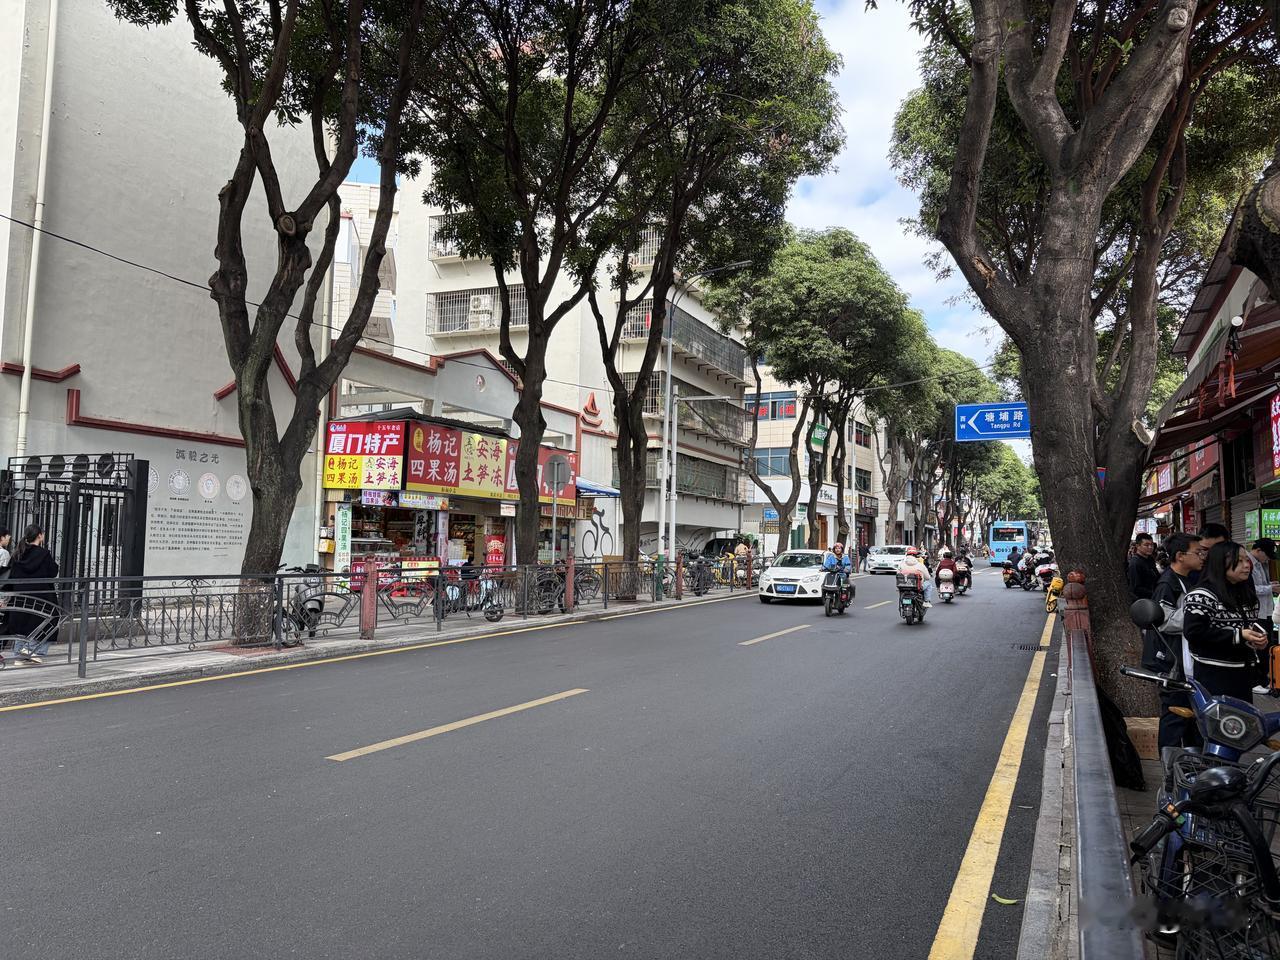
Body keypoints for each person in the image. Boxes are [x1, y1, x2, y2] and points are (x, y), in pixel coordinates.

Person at [1182, 540, 1269, 702]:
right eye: (1239, 560)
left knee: (1243, 716)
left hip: (1243, 674)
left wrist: (1256, 641)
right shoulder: (1201, 595)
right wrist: (1239, 635)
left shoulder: (1246, 594)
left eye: (1247, 560)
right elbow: (1194, 632)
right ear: (1220, 563)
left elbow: (1245, 630)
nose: (1246, 565)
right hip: (1214, 675)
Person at [1141, 533, 1205, 751]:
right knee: (1174, 715)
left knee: (1191, 717)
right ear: (1180, 556)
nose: (1201, 557)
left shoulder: (1188, 579)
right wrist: (1200, 614)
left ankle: (1191, 762)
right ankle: (1169, 764)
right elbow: (1164, 621)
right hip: (1173, 663)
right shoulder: (1168, 583)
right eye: (1197, 552)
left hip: (1186, 661)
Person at [7, 524, 60, 664]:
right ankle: (33, 650)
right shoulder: (43, 554)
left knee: (21, 625)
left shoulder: (17, 553)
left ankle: (19, 655)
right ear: (39, 536)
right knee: (51, 619)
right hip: (42, 596)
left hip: (20, 596)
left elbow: (9, 575)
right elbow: (53, 572)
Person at [1127, 532, 1159, 601]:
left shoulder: (1150, 559)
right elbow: (1136, 588)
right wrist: (1155, 594)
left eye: (1152, 545)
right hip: (1144, 602)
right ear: (1138, 546)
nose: (1150, 547)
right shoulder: (1135, 563)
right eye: (1146, 545)